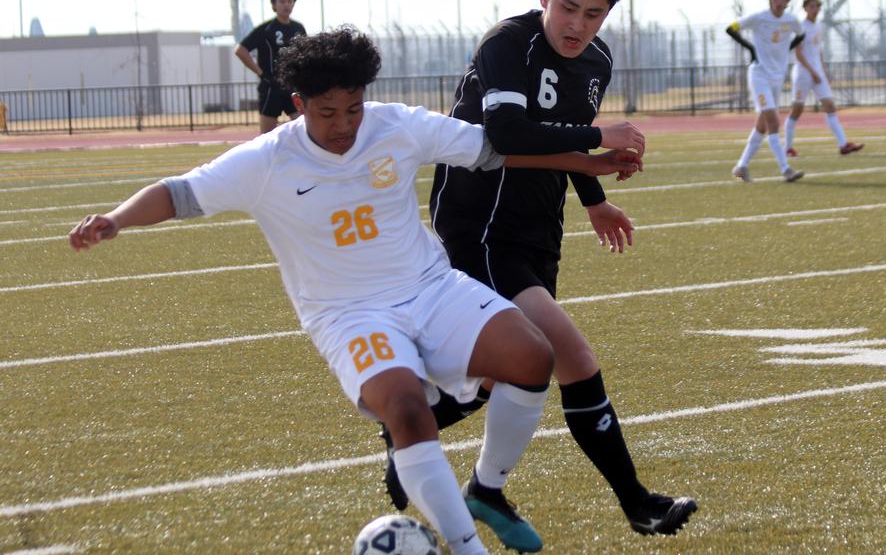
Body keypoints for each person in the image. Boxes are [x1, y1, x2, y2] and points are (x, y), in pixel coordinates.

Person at [68, 27, 643, 555]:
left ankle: (487, 490)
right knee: (407, 410)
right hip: (348, 315)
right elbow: (178, 193)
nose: (344, 124)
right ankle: (468, 548)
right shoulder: (268, 160)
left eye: (353, 108)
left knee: (532, 353)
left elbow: (496, 149)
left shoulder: (395, 125)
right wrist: (116, 220)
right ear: (298, 106)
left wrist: (587, 164)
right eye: (327, 113)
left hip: (429, 287)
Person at [380, 0, 698, 539]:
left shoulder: (596, 60)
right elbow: (505, 135)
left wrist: (595, 200)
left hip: (537, 226)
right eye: (568, 7)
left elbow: (560, 141)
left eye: (593, 13)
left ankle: (425, 434)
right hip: (479, 224)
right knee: (567, 355)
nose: (577, 24)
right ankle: (637, 504)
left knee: (497, 376)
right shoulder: (508, 44)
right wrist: (603, 137)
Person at [726, 0, 806, 183]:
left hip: (777, 77)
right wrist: (751, 49)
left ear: (787, 1)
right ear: (770, 0)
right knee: (773, 121)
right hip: (759, 74)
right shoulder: (759, 17)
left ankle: (741, 167)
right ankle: (786, 169)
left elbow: (801, 34)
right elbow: (731, 28)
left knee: (762, 126)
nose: (779, 0)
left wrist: (787, 48)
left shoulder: (791, 20)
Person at [784, 0, 864, 157]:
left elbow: (818, 50)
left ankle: (843, 145)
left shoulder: (819, 27)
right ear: (805, 8)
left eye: (817, 6)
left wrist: (823, 71)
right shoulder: (800, 27)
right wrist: (812, 72)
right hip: (803, 74)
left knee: (830, 107)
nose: (815, 9)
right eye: (812, 6)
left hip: (817, 73)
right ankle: (787, 148)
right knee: (796, 111)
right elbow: (798, 53)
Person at [234, 0, 306, 134]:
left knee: (303, 128)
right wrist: (261, 73)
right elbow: (240, 50)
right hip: (271, 87)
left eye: (290, 1)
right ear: (274, 5)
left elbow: (306, 54)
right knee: (266, 136)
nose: (286, 5)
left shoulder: (298, 28)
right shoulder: (266, 29)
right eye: (282, 2)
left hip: (292, 86)